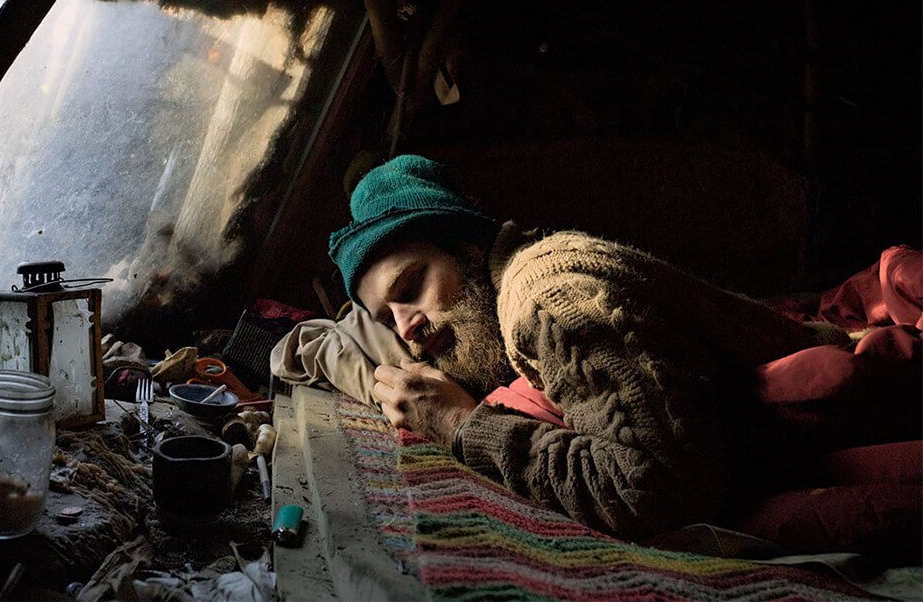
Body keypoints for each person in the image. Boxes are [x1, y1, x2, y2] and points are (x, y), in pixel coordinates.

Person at [323, 154, 870, 541]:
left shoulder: (547, 298)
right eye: (386, 318)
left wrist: (463, 427)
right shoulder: (508, 293)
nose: (407, 327)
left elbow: (659, 487)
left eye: (412, 286)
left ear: (465, 245)